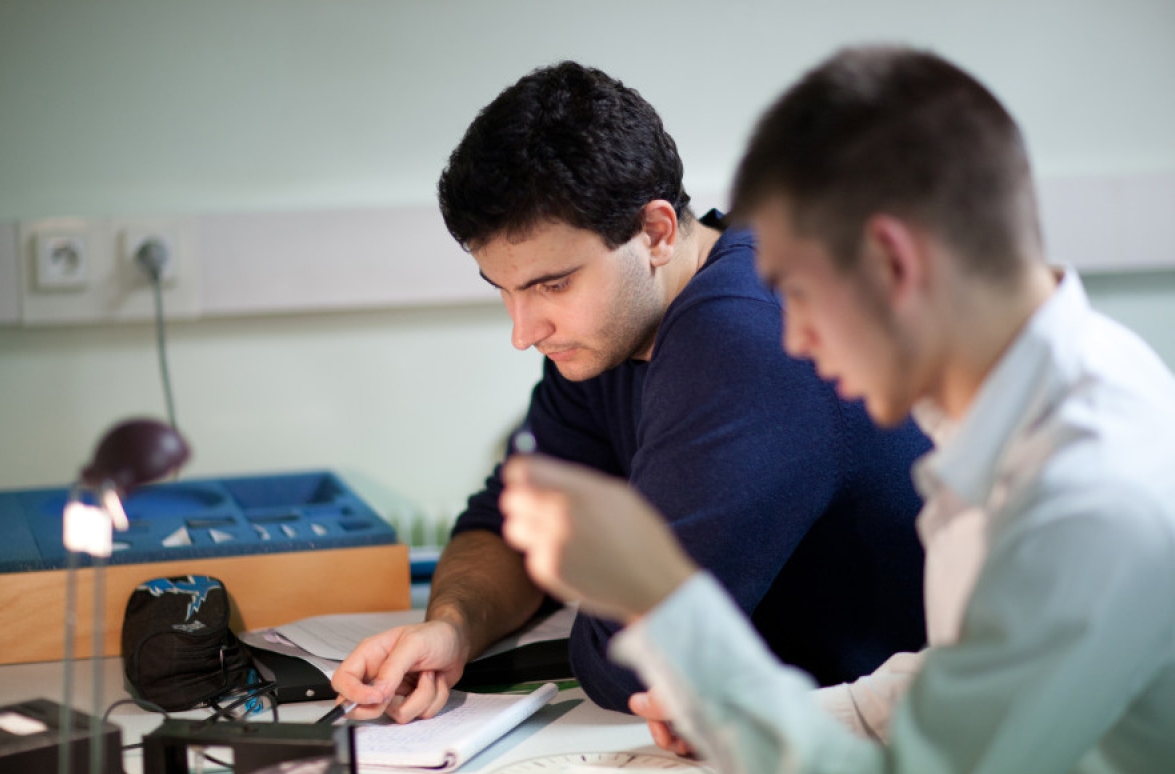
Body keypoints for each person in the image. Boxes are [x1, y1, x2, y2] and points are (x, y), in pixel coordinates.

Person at [499, 46, 1175, 774]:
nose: (793, 340)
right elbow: (965, 676)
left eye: (797, 294)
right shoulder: (1061, 386)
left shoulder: (1085, 496)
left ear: (892, 263)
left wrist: (659, 592)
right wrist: (744, 711)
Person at [332, 61, 932, 727]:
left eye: (552, 285)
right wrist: (453, 626)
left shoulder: (747, 332)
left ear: (656, 233)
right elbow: (505, 524)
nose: (524, 332)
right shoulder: (603, 343)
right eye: (504, 290)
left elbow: (630, 660)